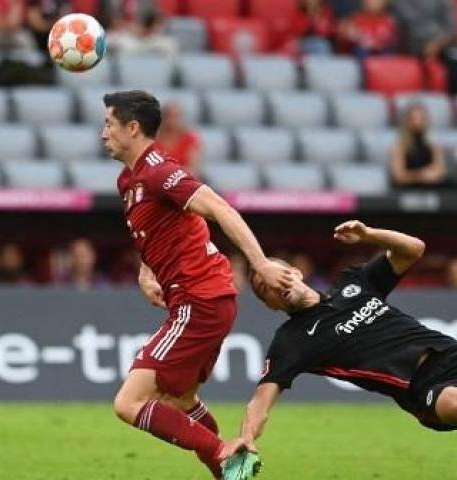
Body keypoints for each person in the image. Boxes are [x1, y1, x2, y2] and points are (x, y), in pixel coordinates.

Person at [226, 220, 457, 480]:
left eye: (273, 276)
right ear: (270, 305)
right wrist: (247, 436)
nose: (272, 287)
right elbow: (261, 399)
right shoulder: (292, 341)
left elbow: (414, 249)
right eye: (262, 290)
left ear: (294, 270)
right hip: (420, 388)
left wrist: (370, 234)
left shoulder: (352, 283)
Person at [101, 90, 293, 478]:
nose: (103, 132)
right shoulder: (129, 179)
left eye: (109, 123)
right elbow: (149, 229)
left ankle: (225, 453)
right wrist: (145, 270)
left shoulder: (160, 171)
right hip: (203, 299)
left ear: (133, 128)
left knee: (128, 403)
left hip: (198, 299)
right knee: (181, 399)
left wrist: (261, 264)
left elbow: (220, 208)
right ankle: (229, 473)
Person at [390, 103, 448, 189]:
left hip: (432, 187)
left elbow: (440, 172)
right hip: (407, 189)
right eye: (413, 119)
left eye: (421, 119)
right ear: (407, 121)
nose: (417, 123)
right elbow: (398, 176)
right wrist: (420, 175)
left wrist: (430, 176)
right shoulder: (400, 146)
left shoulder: (433, 145)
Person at [156, 102, 202, 173]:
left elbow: (193, 168)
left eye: (176, 117)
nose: (172, 121)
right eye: (169, 116)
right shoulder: (152, 140)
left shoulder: (190, 139)